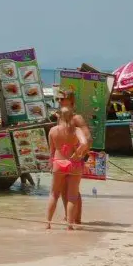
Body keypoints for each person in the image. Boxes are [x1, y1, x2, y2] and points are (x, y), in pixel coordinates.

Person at [46, 93, 90, 230]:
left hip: (61, 161)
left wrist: (82, 155)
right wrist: (77, 154)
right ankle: (70, 223)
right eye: (58, 99)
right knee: (71, 193)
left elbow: (88, 139)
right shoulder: (65, 122)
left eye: (62, 98)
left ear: (71, 100)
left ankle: (73, 220)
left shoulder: (76, 118)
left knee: (59, 193)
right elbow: (83, 141)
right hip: (72, 161)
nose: (59, 101)